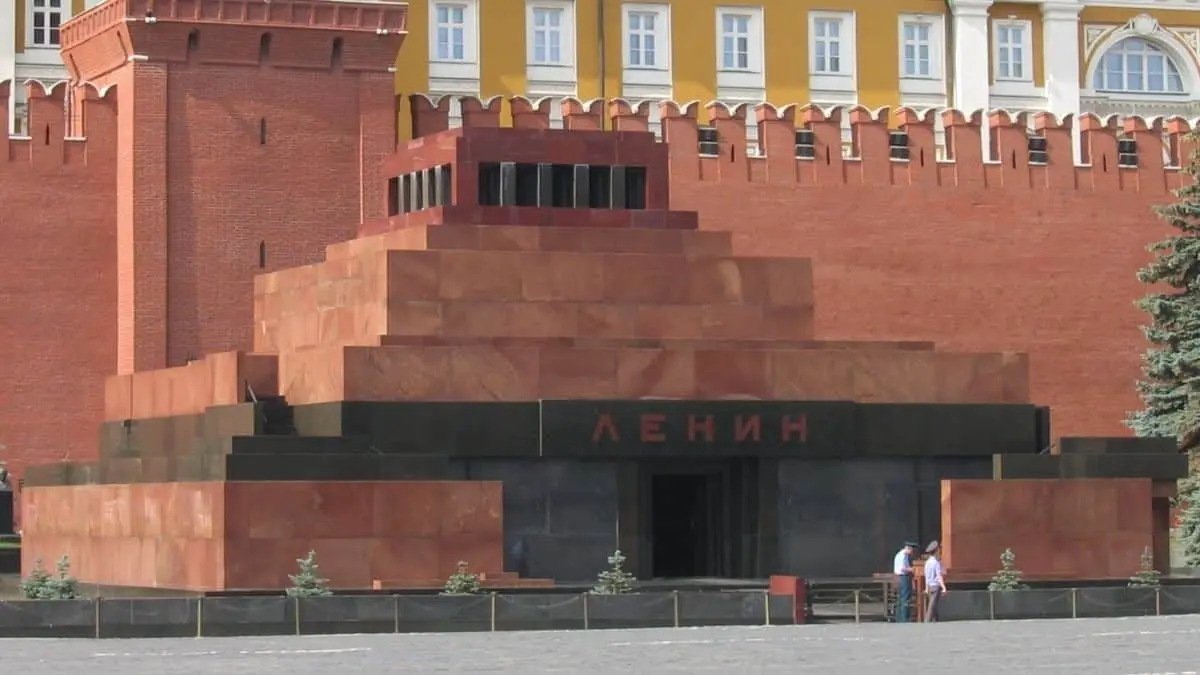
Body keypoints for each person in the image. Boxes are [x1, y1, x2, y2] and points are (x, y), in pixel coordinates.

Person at [892, 540, 917, 622]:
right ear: (908, 548)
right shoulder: (902, 556)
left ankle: (899, 618)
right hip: (903, 577)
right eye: (911, 550)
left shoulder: (903, 555)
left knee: (901, 599)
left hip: (901, 577)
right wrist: (912, 569)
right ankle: (904, 619)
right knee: (905, 599)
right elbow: (903, 568)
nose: (911, 553)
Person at [924, 540, 946, 623]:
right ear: (936, 550)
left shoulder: (927, 563)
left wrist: (926, 588)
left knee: (934, 604)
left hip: (930, 586)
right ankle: (927, 620)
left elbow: (927, 576)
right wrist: (944, 587)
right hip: (936, 586)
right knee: (932, 605)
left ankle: (935, 621)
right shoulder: (935, 562)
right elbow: (939, 575)